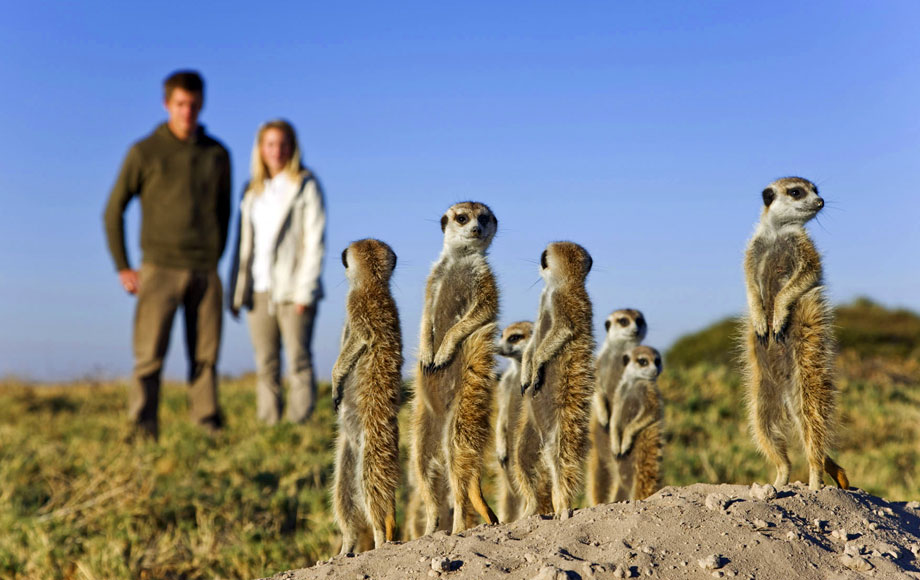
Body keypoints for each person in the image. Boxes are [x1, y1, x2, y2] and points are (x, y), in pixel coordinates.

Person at [103, 70, 231, 440]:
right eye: (180, 104)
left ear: (201, 104)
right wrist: (123, 266)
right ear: (166, 104)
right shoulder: (144, 151)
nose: (187, 111)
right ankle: (142, 431)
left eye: (193, 104)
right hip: (158, 268)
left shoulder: (217, 154)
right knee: (149, 357)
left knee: (205, 357)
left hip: (206, 270)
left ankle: (208, 427)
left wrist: (214, 256)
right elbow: (113, 210)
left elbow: (224, 213)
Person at [228, 119, 326, 425]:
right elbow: (243, 245)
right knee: (266, 364)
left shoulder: (305, 185)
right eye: (270, 144)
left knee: (298, 360)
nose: (277, 150)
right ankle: (270, 426)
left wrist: (305, 290)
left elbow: (315, 240)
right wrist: (237, 290)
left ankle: (300, 426)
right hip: (259, 289)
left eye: (283, 144)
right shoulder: (251, 190)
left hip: (294, 289)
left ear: (292, 147)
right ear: (260, 148)